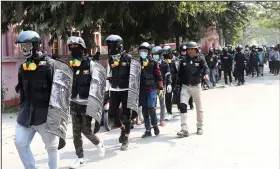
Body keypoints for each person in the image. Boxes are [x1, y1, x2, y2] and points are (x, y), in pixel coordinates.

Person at [14, 30, 73, 169]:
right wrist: (21, 108)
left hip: (46, 116)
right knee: (19, 143)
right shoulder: (23, 68)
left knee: (52, 147)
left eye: (27, 46)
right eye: (22, 47)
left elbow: (61, 92)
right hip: (26, 115)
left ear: (35, 46)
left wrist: (57, 118)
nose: (24, 50)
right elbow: (22, 92)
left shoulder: (50, 65)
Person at [67, 36, 105, 168]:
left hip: (86, 104)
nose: (73, 50)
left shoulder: (91, 65)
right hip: (74, 102)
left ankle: (98, 143)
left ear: (82, 49)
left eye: (76, 47)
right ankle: (80, 158)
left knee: (86, 130)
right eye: (71, 48)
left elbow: (98, 85)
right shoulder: (71, 65)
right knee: (75, 133)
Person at [106, 35, 134, 151]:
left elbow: (134, 75)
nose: (109, 48)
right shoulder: (111, 58)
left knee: (126, 115)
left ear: (118, 45)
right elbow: (110, 72)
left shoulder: (128, 58)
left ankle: (126, 138)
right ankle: (122, 129)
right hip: (114, 89)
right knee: (112, 114)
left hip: (125, 90)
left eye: (111, 45)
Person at [175, 42, 209, 137]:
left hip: (196, 86)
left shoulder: (200, 58)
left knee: (199, 108)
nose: (189, 51)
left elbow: (206, 68)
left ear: (196, 50)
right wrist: (177, 85)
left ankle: (199, 127)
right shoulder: (183, 60)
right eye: (188, 49)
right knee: (182, 106)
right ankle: (184, 129)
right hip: (185, 86)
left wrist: (206, 74)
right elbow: (179, 74)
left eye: (191, 49)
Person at [139, 43, 164, 138]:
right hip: (142, 89)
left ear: (148, 52)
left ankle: (155, 125)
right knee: (144, 110)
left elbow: (159, 76)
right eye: (141, 51)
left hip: (152, 88)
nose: (142, 53)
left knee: (151, 108)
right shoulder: (137, 63)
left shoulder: (154, 62)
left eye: (144, 51)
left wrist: (161, 88)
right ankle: (148, 130)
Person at [162, 45, 175, 121]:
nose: (165, 55)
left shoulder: (175, 60)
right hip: (167, 81)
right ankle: (169, 112)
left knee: (178, 96)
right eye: (164, 54)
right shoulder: (163, 62)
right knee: (168, 97)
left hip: (175, 80)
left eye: (167, 53)